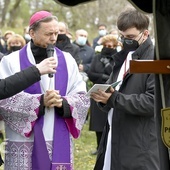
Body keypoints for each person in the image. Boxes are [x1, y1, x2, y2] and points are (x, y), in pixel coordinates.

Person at [0, 10, 90, 170]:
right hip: (24, 140)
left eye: (56, 33)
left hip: (57, 135)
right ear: (32, 33)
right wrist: (39, 102)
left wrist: (63, 103)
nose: (54, 38)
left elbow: (82, 97)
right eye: (48, 34)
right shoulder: (10, 61)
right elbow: (3, 100)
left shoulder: (68, 60)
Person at [91, 8, 161, 170]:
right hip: (115, 134)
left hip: (140, 143)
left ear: (145, 33)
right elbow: (112, 86)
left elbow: (153, 102)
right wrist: (103, 98)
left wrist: (113, 99)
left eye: (130, 37)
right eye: (122, 37)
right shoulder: (124, 56)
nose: (125, 41)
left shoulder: (154, 59)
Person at [88, 34, 121, 155]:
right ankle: (99, 147)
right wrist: (103, 77)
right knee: (97, 121)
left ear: (115, 46)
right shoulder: (97, 58)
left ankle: (109, 146)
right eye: (106, 46)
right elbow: (91, 73)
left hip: (109, 92)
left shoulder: (117, 59)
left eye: (111, 46)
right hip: (97, 91)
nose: (108, 48)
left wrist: (105, 76)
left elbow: (115, 74)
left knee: (108, 120)